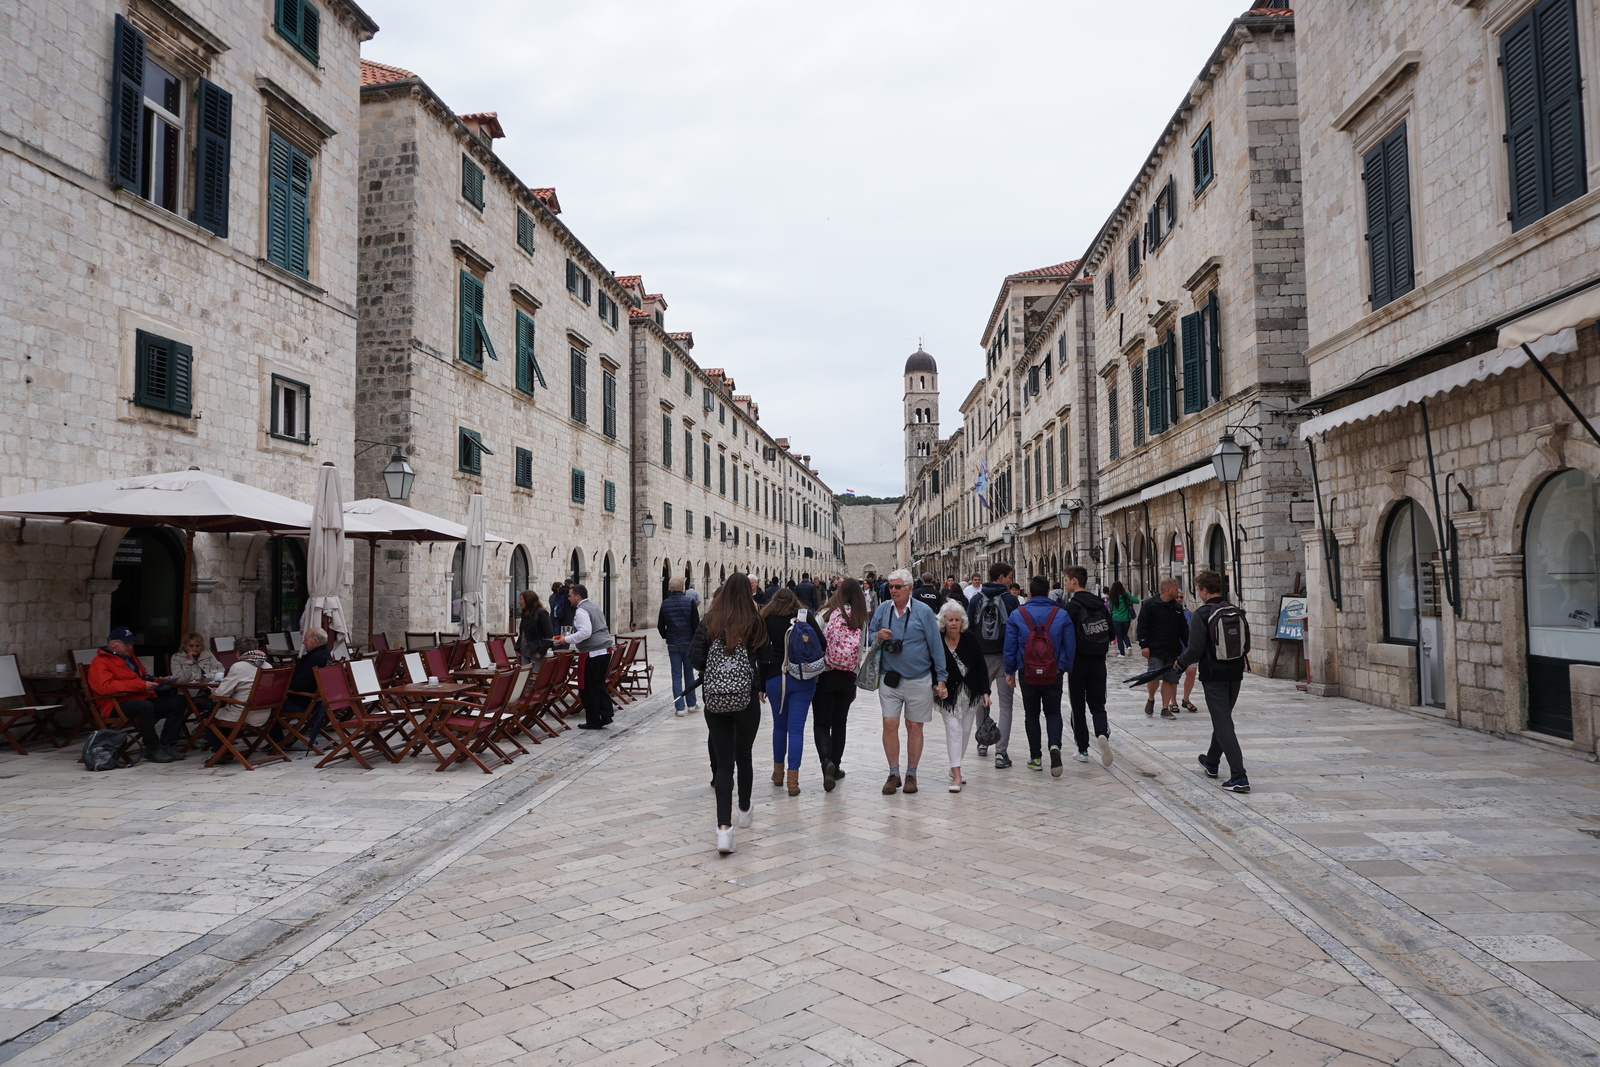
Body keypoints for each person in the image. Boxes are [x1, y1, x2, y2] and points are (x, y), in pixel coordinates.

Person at [689, 572, 767, 853]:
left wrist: (715, 671)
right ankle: (744, 810)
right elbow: (764, 657)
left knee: (723, 764)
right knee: (743, 755)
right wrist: (757, 683)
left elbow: (696, 657)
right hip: (745, 699)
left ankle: (724, 830)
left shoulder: (709, 620)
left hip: (716, 700)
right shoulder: (754, 620)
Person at [869, 569, 947, 795]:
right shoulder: (883, 609)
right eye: (890, 587)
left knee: (914, 726)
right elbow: (869, 632)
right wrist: (877, 635)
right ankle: (893, 773)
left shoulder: (923, 612)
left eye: (897, 587)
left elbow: (936, 646)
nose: (892, 590)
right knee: (889, 724)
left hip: (919, 678)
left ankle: (911, 773)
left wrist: (941, 678)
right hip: (890, 678)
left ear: (909, 588)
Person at [1174, 569, 1250, 793]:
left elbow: (1195, 649)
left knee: (1223, 722)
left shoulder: (1202, 614)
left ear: (1205, 590)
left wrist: (1180, 662)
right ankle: (1211, 762)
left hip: (1214, 675)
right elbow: (1247, 646)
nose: (1198, 593)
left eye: (1198, 590)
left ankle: (1239, 776)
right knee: (1223, 718)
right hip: (1235, 672)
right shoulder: (1235, 611)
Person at [1003, 576, 1076, 776]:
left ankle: (1035, 757)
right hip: (1054, 672)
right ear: (1047, 593)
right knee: (1053, 712)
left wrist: (1009, 671)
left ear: (1031, 593)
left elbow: (1009, 646)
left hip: (1027, 672)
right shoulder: (1061, 614)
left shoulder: (1017, 615)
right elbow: (1070, 645)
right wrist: (1064, 667)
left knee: (1031, 714)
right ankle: (1054, 746)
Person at [86, 627, 188, 762]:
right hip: (116, 704)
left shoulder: (129, 657)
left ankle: (167, 744)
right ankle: (152, 747)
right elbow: (105, 687)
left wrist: (157, 680)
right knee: (144, 706)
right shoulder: (100, 661)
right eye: (126, 643)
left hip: (142, 696)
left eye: (131, 643)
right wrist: (141, 685)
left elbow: (140, 677)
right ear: (113, 644)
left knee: (179, 701)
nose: (130, 647)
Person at [758, 589, 816, 795]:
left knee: (779, 728)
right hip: (803, 678)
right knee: (796, 730)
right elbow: (822, 644)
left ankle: (778, 774)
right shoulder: (804, 615)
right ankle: (793, 782)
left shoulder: (766, 618)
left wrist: (761, 685)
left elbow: (762, 654)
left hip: (775, 678)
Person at [814, 578, 866, 791]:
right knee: (840, 723)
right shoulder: (860, 617)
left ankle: (826, 761)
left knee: (821, 723)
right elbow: (860, 651)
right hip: (847, 677)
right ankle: (836, 768)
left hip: (825, 675)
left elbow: (816, 645)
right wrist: (854, 680)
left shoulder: (825, 614)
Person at [967, 563, 1020, 767]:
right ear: (1000, 577)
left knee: (982, 700)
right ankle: (1001, 753)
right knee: (1006, 706)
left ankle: (982, 742)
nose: (1010, 580)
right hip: (1005, 657)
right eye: (1009, 576)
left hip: (981, 658)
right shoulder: (1011, 600)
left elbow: (969, 629)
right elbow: (1016, 632)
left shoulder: (976, 599)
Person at [935, 600, 990, 792]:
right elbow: (931, 665)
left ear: (962, 622)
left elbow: (981, 666)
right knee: (953, 729)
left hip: (970, 693)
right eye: (950, 619)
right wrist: (936, 685)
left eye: (957, 619)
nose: (953, 623)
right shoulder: (938, 640)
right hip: (948, 694)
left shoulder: (971, 639)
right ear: (944, 621)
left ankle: (954, 765)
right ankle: (957, 774)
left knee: (965, 731)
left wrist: (985, 691)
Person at [1062, 567, 1113, 768]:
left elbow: (1064, 637)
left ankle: (1083, 749)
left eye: (1066, 580)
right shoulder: (1101, 605)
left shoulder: (1071, 608)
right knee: (1098, 704)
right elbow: (1112, 633)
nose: (1065, 583)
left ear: (1075, 581)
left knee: (1078, 705)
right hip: (1099, 661)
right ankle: (1102, 733)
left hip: (1078, 662)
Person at [553, 584, 614, 728]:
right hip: (604, 649)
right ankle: (605, 714)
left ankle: (594, 721)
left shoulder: (581, 610)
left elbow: (585, 632)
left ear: (577, 596)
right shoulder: (594, 607)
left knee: (588, 687)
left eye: (570, 596)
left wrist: (566, 640)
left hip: (592, 651)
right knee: (598, 685)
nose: (568, 599)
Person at [1136, 578, 1187, 720]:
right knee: (1154, 677)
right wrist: (1144, 645)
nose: (1178, 591)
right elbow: (1142, 626)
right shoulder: (1150, 605)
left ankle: (1165, 708)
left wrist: (1189, 647)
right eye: (1176, 588)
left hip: (1173, 650)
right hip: (1155, 649)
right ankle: (1151, 698)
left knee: (1169, 679)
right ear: (1169, 590)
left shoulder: (1177, 608)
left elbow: (1183, 629)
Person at [657, 578, 701, 717]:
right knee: (689, 674)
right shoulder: (690, 602)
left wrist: (667, 636)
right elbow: (696, 624)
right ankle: (692, 704)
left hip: (673, 644)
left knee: (676, 676)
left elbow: (660, 625)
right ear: (683, 588)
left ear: (670, 588)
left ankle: (679, 707)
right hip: (688, 643)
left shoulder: (665, 603)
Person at [1176, 588, 1200, 713]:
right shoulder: (1168, 612)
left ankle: (1186, 699)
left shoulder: (1189, 613)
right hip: (1174, 648)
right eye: (1177, 597)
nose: (1179, 599)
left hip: (1188, 648)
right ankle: (1172, 702)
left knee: (1191, 672)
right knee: (1173, 675)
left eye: (1181, 597)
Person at [517, 590, 554, 664]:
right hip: (524, 651)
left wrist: (541, 652)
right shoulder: (525, 614)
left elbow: (549, 634)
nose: (519, 602)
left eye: (521, 599)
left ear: (528, 600)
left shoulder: (541, 613)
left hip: (536, 651)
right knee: (525, 675)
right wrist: (518, 647)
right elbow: (523, 633)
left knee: (536, 675)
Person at [1108, 581, 1137, 656]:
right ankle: (1129, 646)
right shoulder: (1126, 596)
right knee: (1125, 634)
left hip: (1116, 619)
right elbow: (1137, 601)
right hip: (1126, 619)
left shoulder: (1112, 597)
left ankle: (1122, 653)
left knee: (1119, 636)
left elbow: (1110, 607)